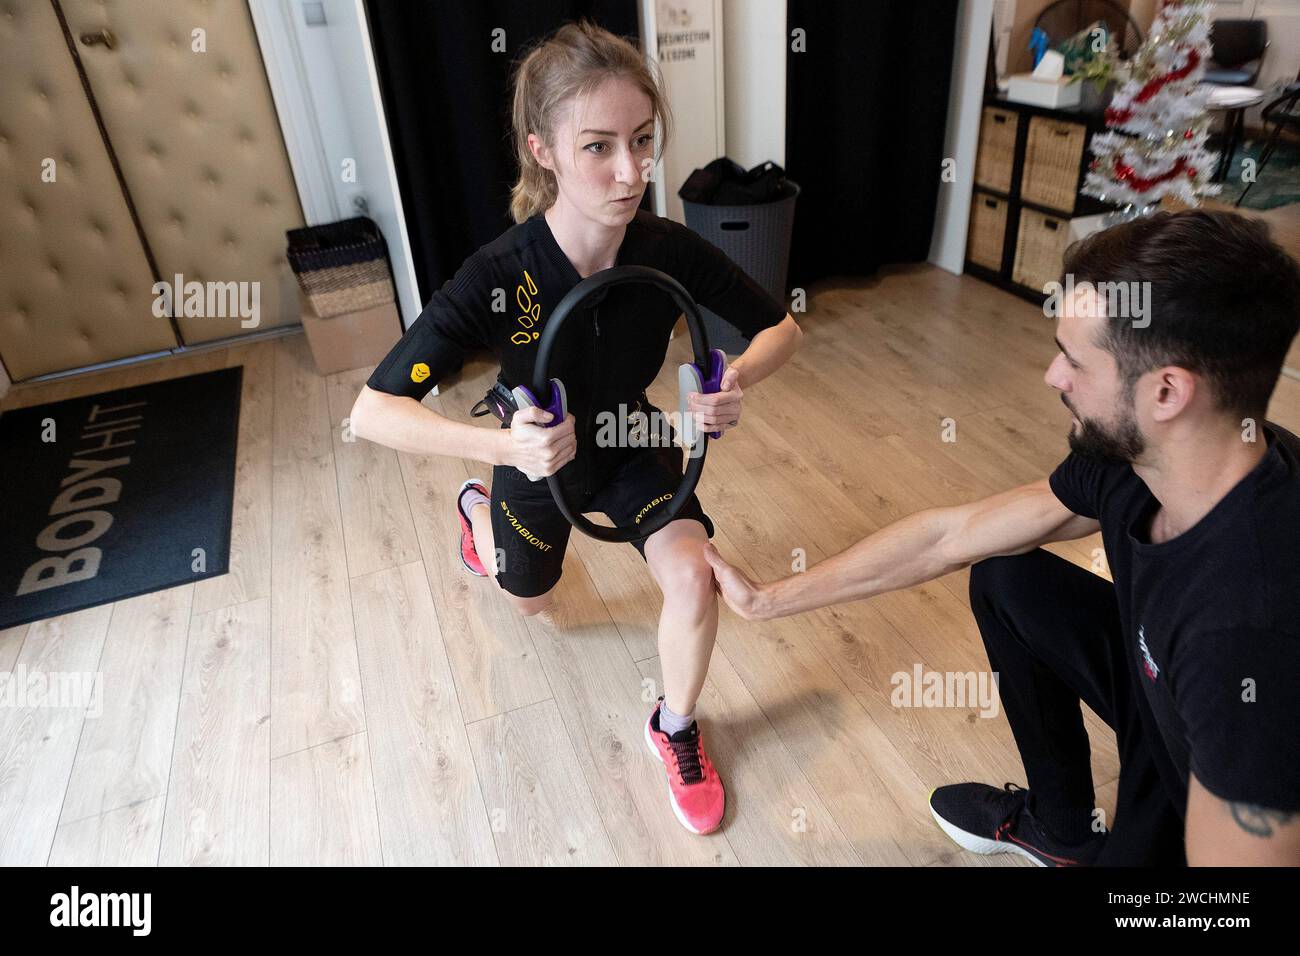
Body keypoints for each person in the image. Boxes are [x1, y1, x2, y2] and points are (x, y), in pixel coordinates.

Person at [703, 209, 1300, 865]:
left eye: (1074, 361)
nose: (1053, 377)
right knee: (1005, 575)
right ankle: (1063, 830)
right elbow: (949, 537)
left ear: (1166, 392)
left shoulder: (1247, 634)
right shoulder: (1150, 464)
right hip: (1167, 690)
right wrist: (766, 600)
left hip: (1206, 762)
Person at [350, 20, 803, 836]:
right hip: (534, 458)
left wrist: (730, 381)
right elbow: (373, 412)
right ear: (544, 151)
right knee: (529, 603)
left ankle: (674, 726)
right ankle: (480, 517)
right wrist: (501, 450)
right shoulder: (498, 274)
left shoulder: (667, 248)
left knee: (694, 575)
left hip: (631, 442)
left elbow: (783, 330)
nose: (631, 172)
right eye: (598, 146)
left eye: (641, 140)